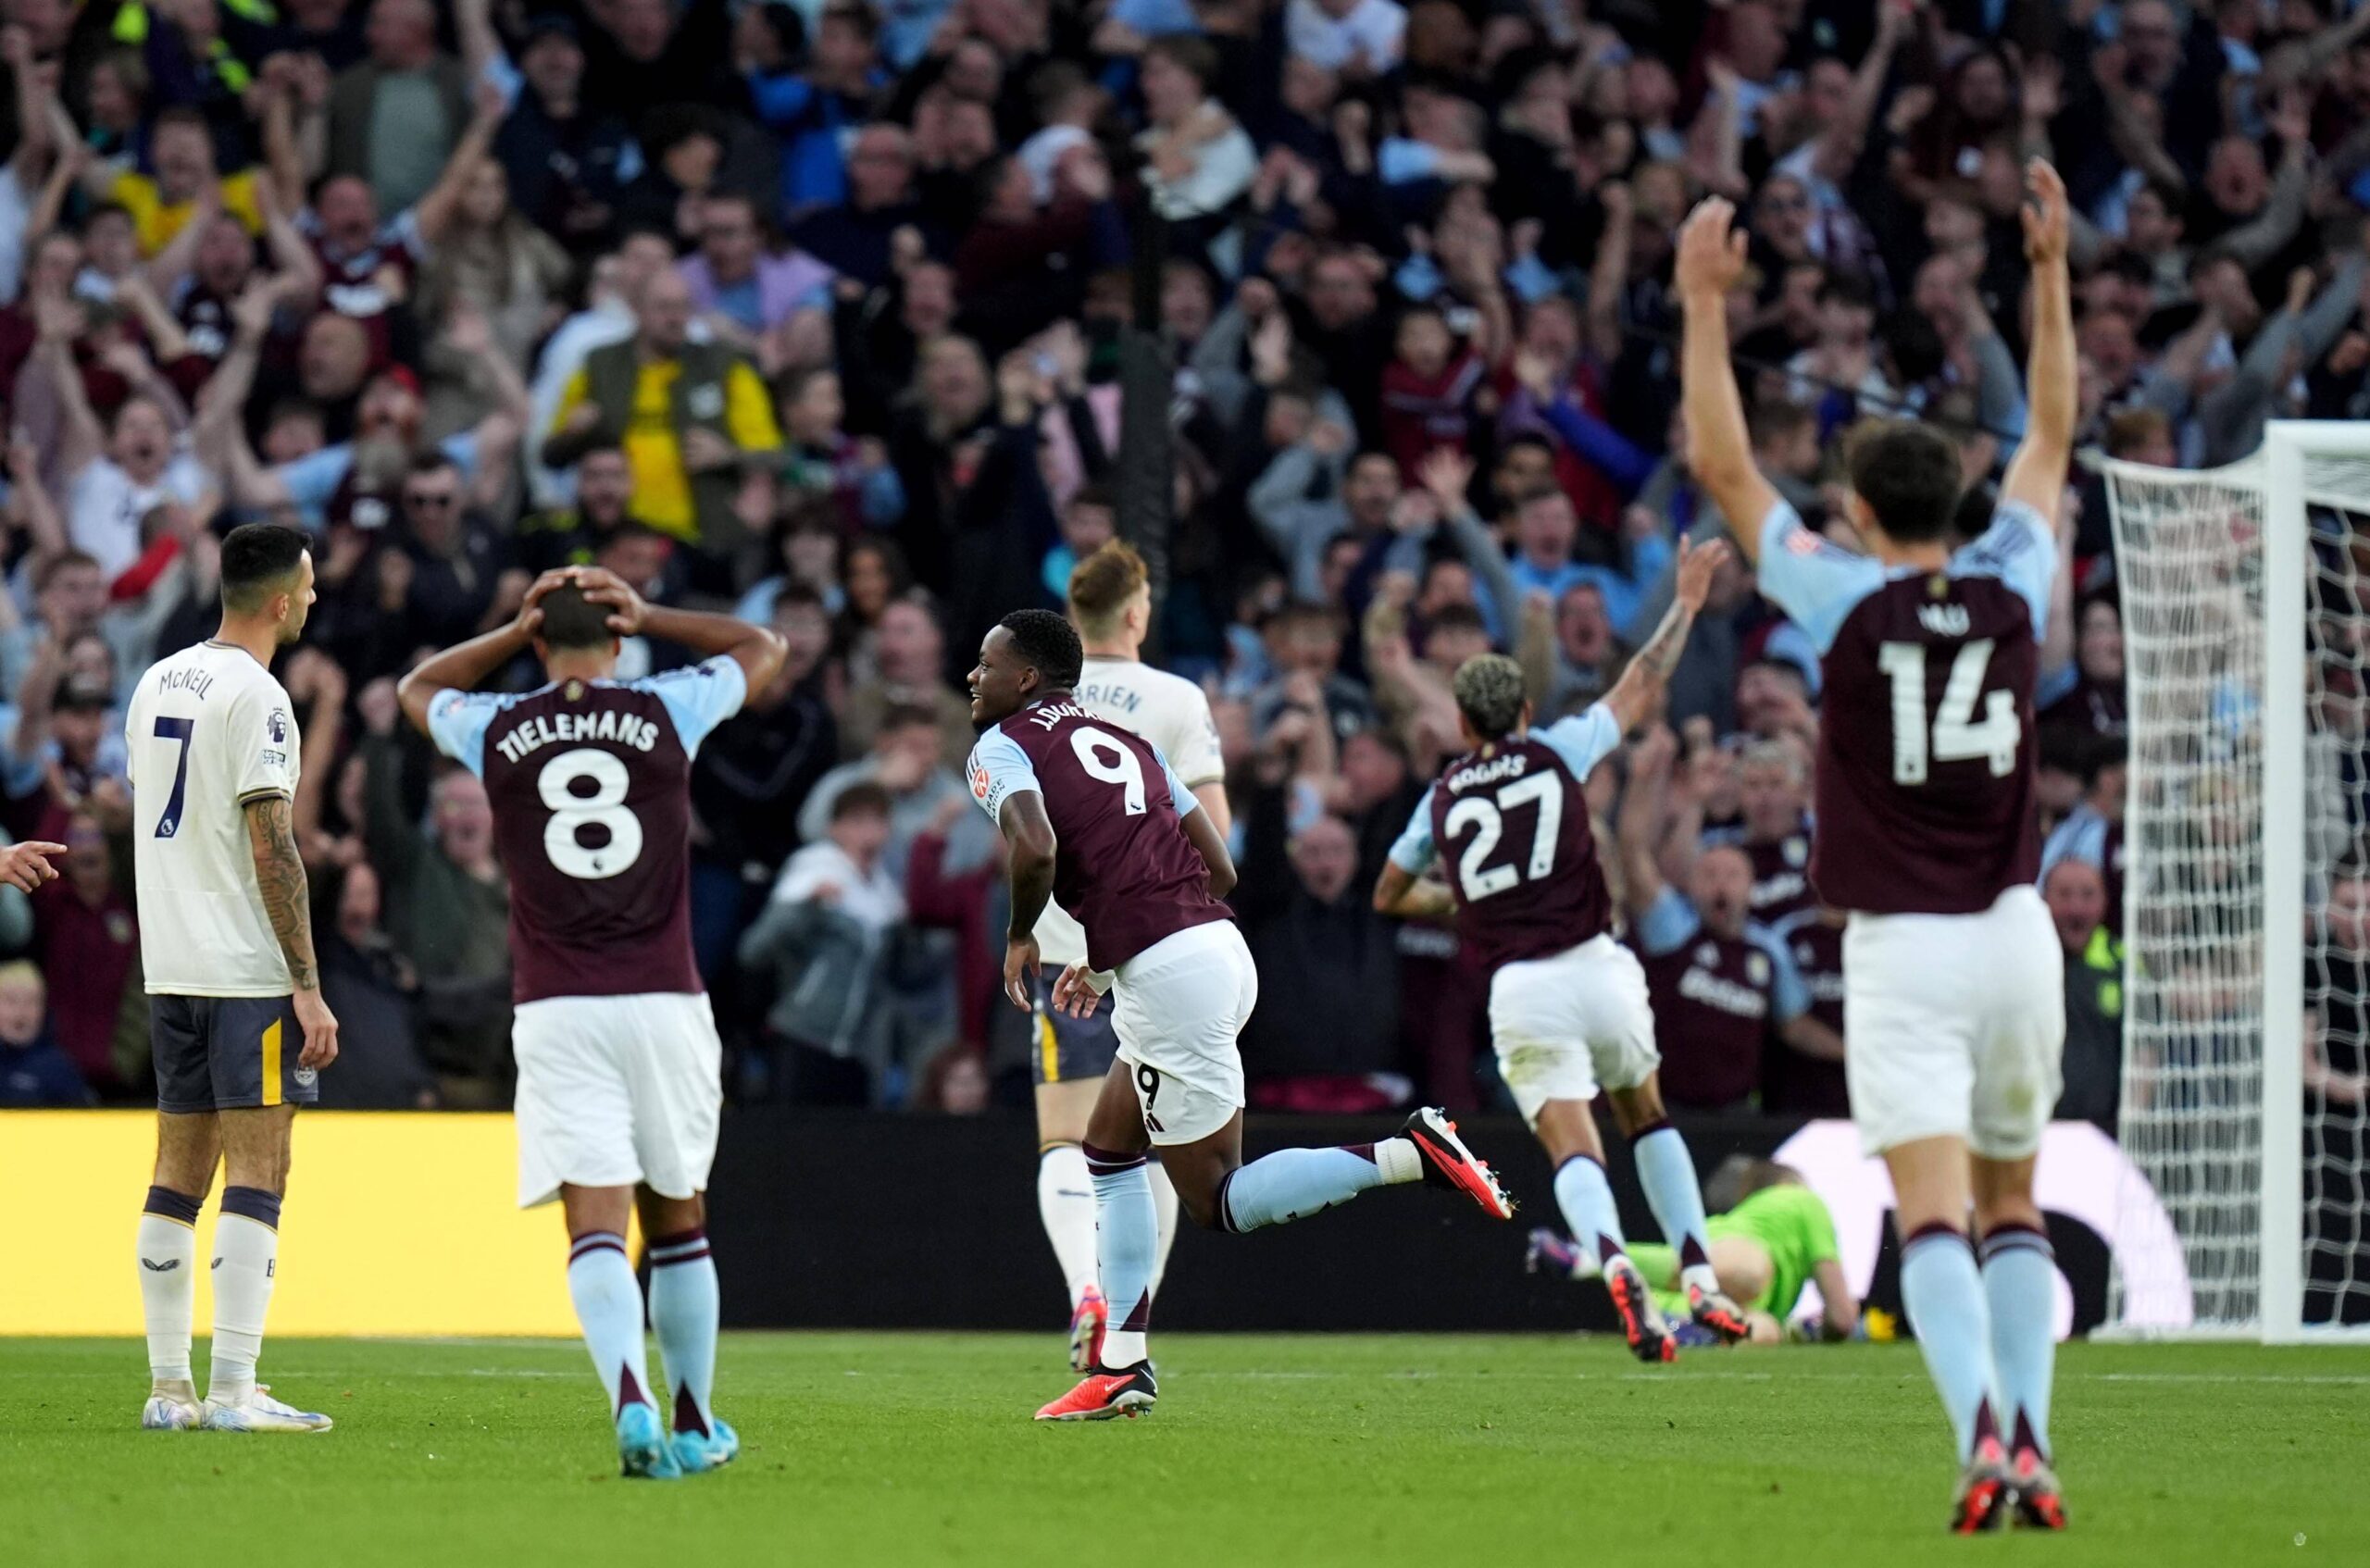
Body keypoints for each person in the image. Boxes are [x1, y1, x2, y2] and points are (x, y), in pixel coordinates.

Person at [1676, 160, 2075, 1532]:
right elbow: (2051, 444)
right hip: (2020, 930)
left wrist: (1702, 304)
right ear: (1959, 502)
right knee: (2015, 1199)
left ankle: (1985, 1437)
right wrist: (2051, 275)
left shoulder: (1840, 598)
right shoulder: (2019, 576)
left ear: (1856, 512)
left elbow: (1725, 466)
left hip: (1903, 945)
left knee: (1938, 1212)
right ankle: (2036, 1442)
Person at [967, 610, 1512, 1422]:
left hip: (1170, 979)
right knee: (1110, 1148)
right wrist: (1111, 954)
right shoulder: (1132, 742)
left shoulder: (1001, 744)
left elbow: (1037, 847)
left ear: (1025, 679)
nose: (973, 677)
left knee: (1217, 1201)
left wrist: (1021, 937)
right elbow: (1217, 864)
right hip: (1217, 951)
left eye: (986, 663)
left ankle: (1410, 1153)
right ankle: (1121, 1361)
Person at [395, 566, 786, 1478]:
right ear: (617, 644)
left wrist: (506, 626)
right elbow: (764, 648)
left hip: (559, 1003)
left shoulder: (497, 724)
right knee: (680, 1220)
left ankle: (631, 1399)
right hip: (665, 996)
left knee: (596, 1227)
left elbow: (415, 688)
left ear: (539, 644)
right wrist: (655, 612)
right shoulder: (665, 708)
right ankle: (693, 1419)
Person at [1371, 541, 1755, 1364]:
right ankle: (1699, 1276)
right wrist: (1684, 603)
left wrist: (1461, 898)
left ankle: (1615, 1260)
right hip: (1599, 966)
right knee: (1646, 1116)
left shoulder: (1440, 798)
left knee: (1571, 1142)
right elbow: (1642, 680)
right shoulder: (1559, 748)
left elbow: (1389, 894)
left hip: (1522, 990)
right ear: (1526, 709)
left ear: (1464, 723)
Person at [125, 521, 339, 1435]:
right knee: (262, 1166)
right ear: (284, 597)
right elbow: (269, 839)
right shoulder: (261, 697)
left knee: (176, 1170)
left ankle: (169, 1389)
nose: (317, 598)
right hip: (244, 968)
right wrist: (306, 979)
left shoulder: (154, 681)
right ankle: (235, 1388)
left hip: (169, 963)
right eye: (312, 585)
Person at [1026, 541, 1230, 1370]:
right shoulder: (1178, 699)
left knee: (1067, 1139)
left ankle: (1086, 1286)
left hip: (1063, 953)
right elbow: (1215, 828)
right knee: (1153, 1142)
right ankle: (1130, 1317)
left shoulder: (1034, 708)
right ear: (1138, 613)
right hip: (1161, 950)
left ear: (1076, 618)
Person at [1537, 1158, 1861, 1349]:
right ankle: (1587, 1257)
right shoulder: (1801, 1201)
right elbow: (1842, 1315)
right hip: (1702, 1279)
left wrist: (1799, 1331)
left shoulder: (1725, 1224)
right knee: (1751, 1275)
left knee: (1765, 1328)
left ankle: (1691, 1333)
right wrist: (1833, 1327)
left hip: (1664, 1304)